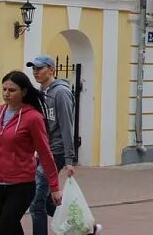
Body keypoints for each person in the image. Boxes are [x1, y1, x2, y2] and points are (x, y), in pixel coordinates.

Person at [0, 71, 62, 235]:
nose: (6, 94)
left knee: (3, 230)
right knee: (12, 230)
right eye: (4, 89)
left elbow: (45, 154)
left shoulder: (33, 118)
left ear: (24, 92)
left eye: (12, 90)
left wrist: (54, 187)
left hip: (22, 186)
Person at [29, 55, 102, 235]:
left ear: (51, 69)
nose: (36, 72)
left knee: (36, 204)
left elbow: (67, 126)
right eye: (34, 69)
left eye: (40, 68)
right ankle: (84, 226)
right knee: (45, 201)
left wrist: (69, 159)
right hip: (45, 151)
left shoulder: (60, 93)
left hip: (57, 152)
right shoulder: (43, 92)